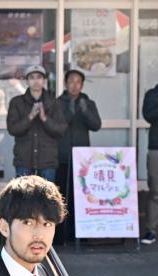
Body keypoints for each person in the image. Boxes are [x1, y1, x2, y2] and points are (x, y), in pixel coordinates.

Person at [56, 70, 101, 244]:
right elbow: (57, 126)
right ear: (65, 84)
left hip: (83, 160)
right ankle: (61, 236)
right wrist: (69, 111)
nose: (74, 85)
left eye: (78, 82)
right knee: (61, 197)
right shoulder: (58, 103)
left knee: (81, 197)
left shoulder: (88, 102)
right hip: (62, 156)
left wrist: (84, 110)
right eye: (71, 81)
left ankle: (80, 235)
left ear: (82, 85)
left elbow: (96, 125)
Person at [7, 65, 67, 182]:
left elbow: (61, 130)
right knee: (23, 198)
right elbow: (13, 129)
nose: (36, 81)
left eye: (39, 77)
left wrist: (44, 118)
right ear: (27, 81)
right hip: (24, 160)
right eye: (32, 77)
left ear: (44, 81)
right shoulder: (17, 102)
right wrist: (30, 116)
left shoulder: (54, 102)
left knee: (46, 199)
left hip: (47, 161)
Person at [141, 83, 158, 245]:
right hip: (156, 147)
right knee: (155, 191)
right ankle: (150, 229)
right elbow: (148, 115)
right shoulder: (153, 94)